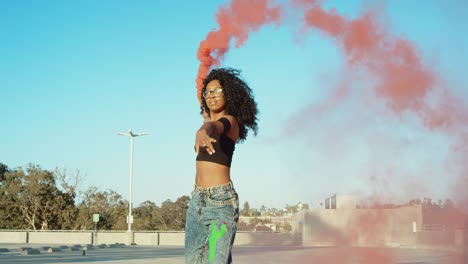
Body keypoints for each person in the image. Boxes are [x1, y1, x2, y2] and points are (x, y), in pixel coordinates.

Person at [185, 67, 258, 264]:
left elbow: (215, 126)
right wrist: (205, 120)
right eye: (208, 92)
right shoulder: (208, 118)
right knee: (193, 260)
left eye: (218, 91)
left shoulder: (229, 122)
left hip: (220, 202)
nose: (212, 96)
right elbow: (208, 118)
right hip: (196, 201)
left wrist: (203, 130)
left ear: (229, 95)